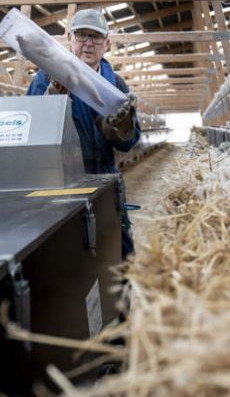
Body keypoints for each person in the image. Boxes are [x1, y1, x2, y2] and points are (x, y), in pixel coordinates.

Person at [27, 9, 140, 259]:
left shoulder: (117, 85)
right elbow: (31, 133)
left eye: (96, 37)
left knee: (119, 256)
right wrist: (52, 98)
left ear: (107, 44)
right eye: (82, 35)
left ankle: (120, 298)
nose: (88, 43)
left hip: (107, 183)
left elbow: (130, 142)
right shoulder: (46, 77)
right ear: (70, 37)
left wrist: (119, 130)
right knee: (72, 261)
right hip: (62, 187)